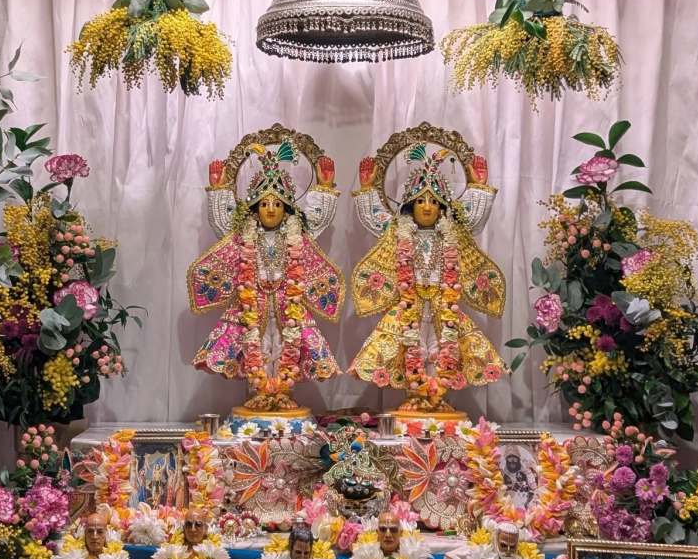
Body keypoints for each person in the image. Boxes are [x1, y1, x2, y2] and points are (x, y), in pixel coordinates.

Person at [188, 138, 343, 414]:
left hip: (288, 302)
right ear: (255, 208)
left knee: (286, 344)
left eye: (277, 204)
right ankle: (259, 392)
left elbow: (318, 220)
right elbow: (222, 222)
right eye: (264, 204)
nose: (271, 209)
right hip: (252, 302)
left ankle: (283, 393)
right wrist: (219, 189)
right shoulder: (244, 234)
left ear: (287, 209)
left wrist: (325, 188)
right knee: (255, 345)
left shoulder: (296, 234)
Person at [350, 144, 505, 413]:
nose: (427, 207)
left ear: (442, 208)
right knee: (413, 347)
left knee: (440, 347)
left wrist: (479, 187)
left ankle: (437, 397)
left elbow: (472, 220)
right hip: (409, 304)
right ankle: (416, 396)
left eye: (433, 202)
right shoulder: (399, 230)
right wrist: (367, 190)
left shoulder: (450, 232)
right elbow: (376, 220)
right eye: (421, 201)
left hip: (444, 303)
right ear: (410, 205)